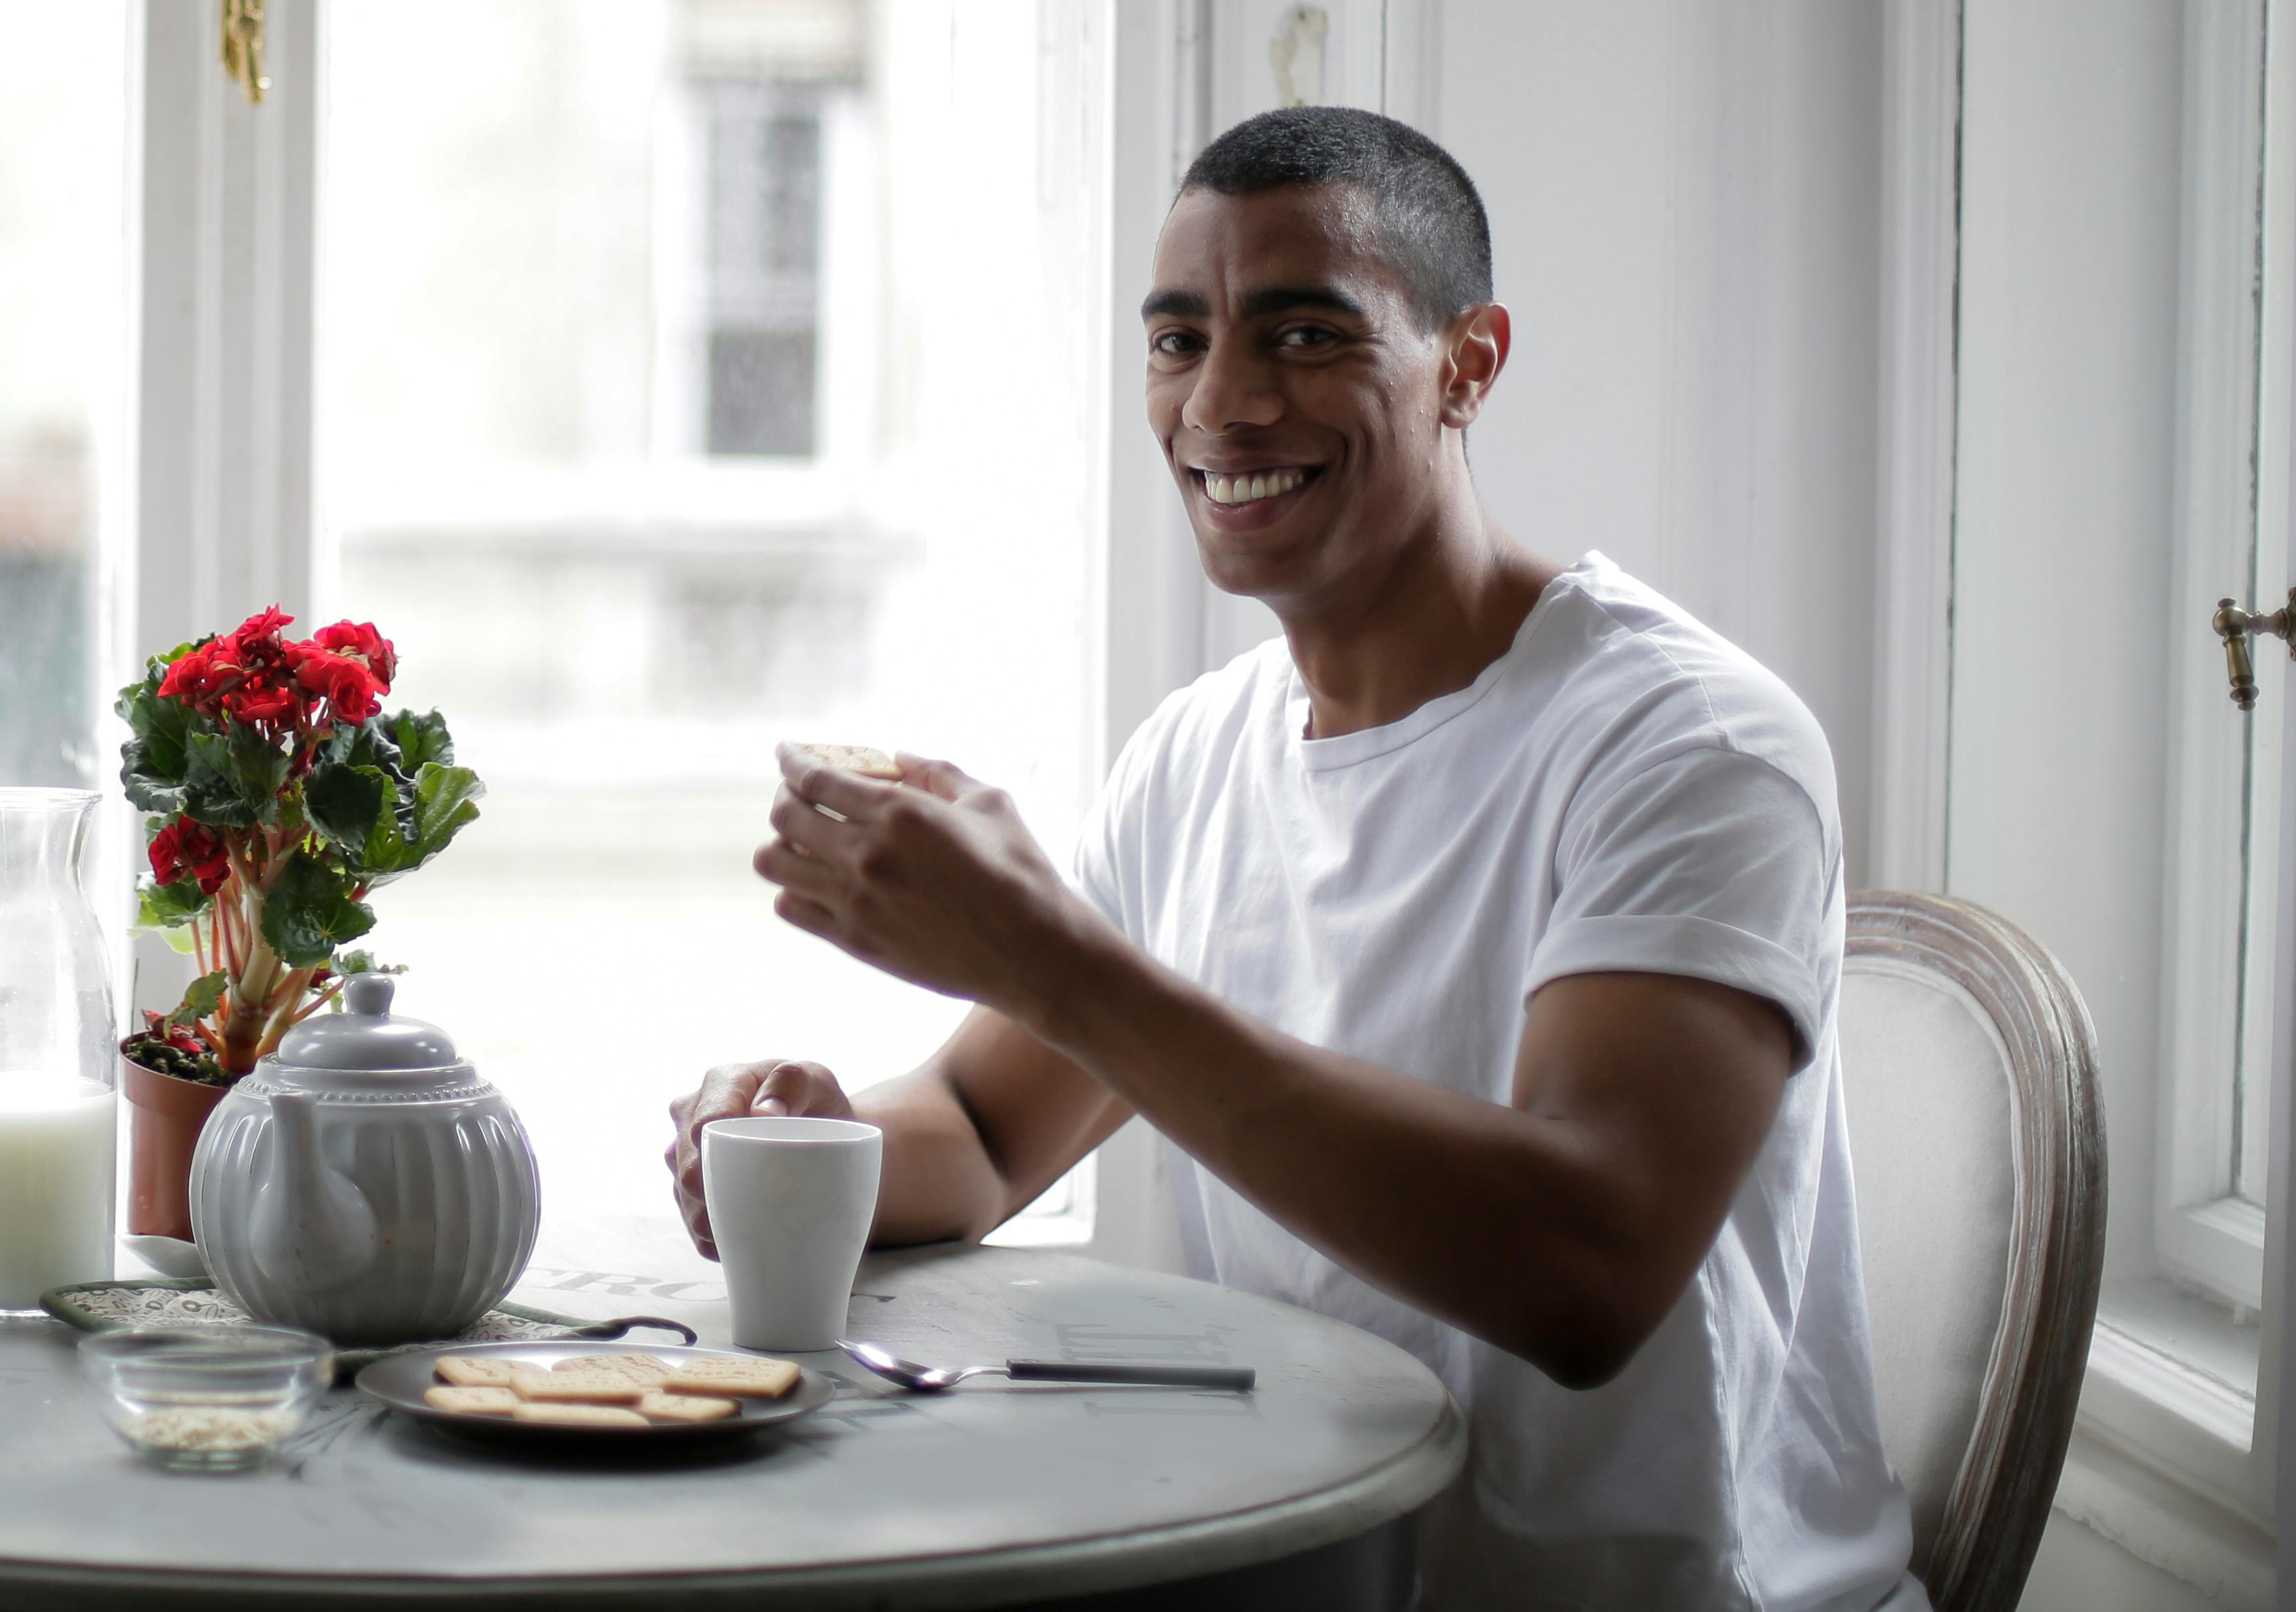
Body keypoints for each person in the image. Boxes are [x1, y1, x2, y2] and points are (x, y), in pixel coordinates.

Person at [667, 107, 1914, 1611]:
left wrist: (1050, 957)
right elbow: (987, 1135)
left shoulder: (1687, 745)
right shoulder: (1198, 757)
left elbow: (1587, 1269)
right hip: (1309, 1572)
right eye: (1179, 340)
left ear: (1468, 363)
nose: (1225, 404)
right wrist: (799, 1143)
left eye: (1307, 335)